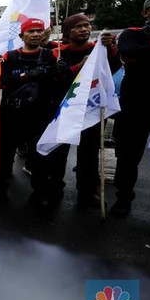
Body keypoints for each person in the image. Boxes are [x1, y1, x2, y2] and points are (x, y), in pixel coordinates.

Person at [52, 13, 122, 209]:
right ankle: (55, 188)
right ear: (68, 31)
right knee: (59, 153)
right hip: (65, 109)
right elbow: (59, 77)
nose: (84, 29)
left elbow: (112, 70)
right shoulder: (58, 51)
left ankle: (88, 192)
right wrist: (79, 67)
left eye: (86, 25)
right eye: (78, 26)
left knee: (89, 154)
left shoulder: (98, 50)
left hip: (91, 109)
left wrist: (111, 49)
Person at [0, 19, 59, 205]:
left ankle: (40, 192)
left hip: (39, 115)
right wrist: (27, 76)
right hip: (11, 114)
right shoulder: (10, 57)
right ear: (22, 36)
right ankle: (0, 188)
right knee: (5, 155)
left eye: (39, 31)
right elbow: (2, 81)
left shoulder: (51, 56)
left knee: (39, 157)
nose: (36, 34)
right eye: (31, 31)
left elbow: (57, 84)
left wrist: (61, 71)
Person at [112, 0, 150, 217]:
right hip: (135, 105)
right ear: (145, 12)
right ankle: (123, 198)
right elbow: (131, 54)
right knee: (128, 156)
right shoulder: (132, 34)